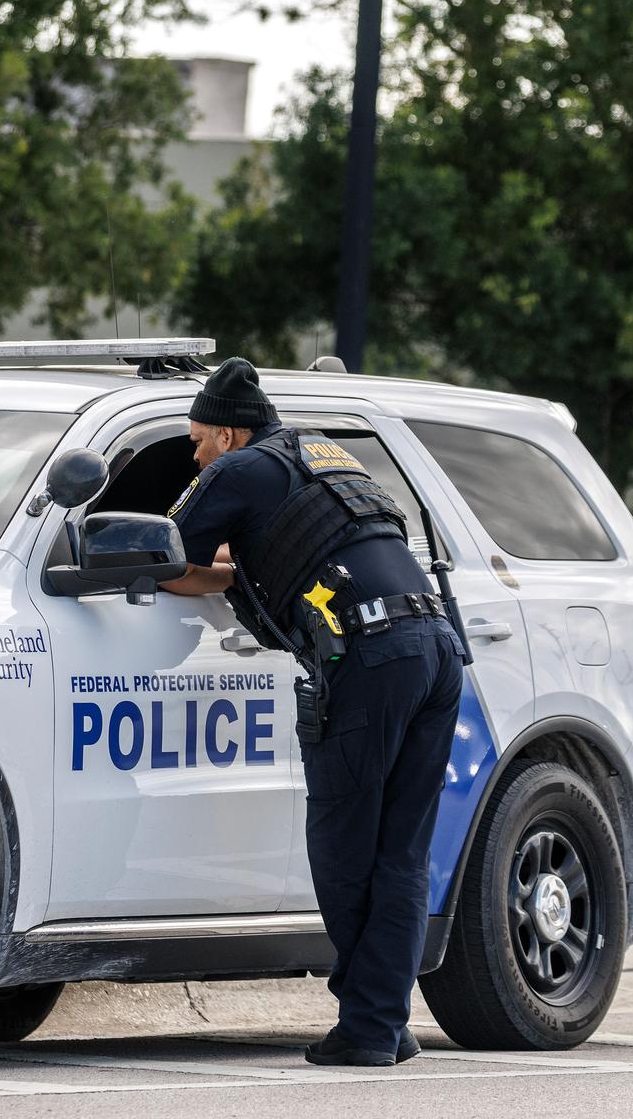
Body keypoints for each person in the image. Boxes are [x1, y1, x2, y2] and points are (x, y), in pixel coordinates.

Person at [161, 356, 464, 1067]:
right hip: (437, 649)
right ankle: (385, 1019)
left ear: (229, 436)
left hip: (370, 657)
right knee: (400, 850)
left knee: (342, 846)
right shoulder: (322, 454)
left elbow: (170, 561)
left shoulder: (233, 472)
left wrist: (220, 572)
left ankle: (367, 1028)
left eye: (198, 439)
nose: (195, 453)